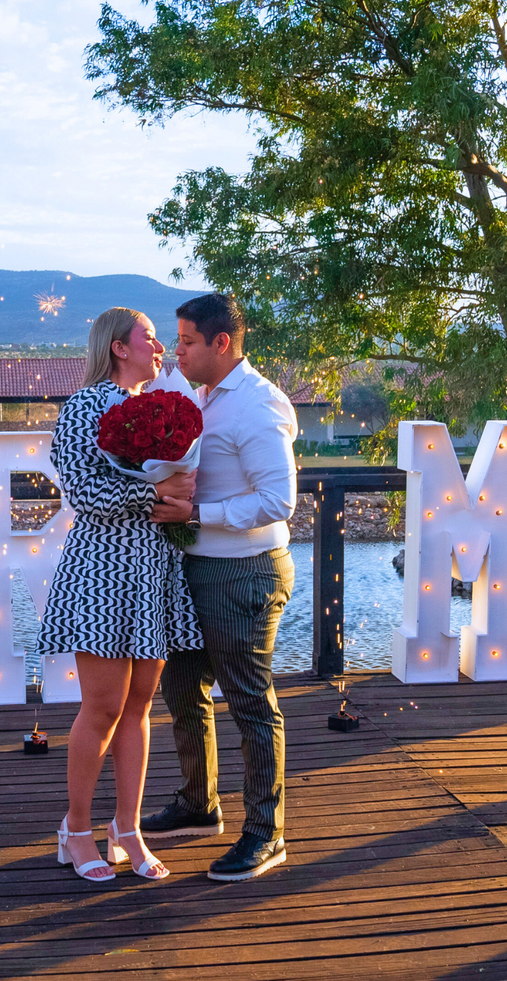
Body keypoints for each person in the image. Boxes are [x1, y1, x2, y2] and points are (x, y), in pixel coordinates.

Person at [40, 306, 202, 882]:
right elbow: (83, 491)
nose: (160, 347)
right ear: (118, 347)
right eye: (150, 338)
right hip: (103, 571)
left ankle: (126, 828)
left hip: (153, 567)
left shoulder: (162, 405)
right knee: (103, 706)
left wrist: (180, 491)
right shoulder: (84, 406)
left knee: (138, 707)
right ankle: (76, 830)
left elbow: (178, 478)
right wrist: (155, 495)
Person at [141, 293, 298, 883]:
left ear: (220, 344)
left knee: (250, 701)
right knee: (182, 687)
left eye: (184, 342)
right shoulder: (193, 393)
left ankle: (266, 832)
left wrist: (194, 513)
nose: (174, 352)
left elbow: (277, 501)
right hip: (190, 567)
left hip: (244, 571)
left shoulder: (259, 406)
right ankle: (198, 803)